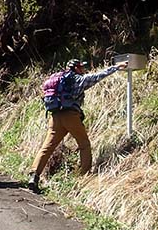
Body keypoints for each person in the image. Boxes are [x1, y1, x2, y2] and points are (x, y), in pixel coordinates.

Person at [27, 58, 127, 193]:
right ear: (76, 68)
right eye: (81, 67)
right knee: (84, 144)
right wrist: (115, 67)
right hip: (71, 117)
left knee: (47, 147)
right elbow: (98, 76)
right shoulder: (78, 80)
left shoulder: (57, 79)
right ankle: (84, 176)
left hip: (55, 117)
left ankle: (34, 175)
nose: (83, 69)